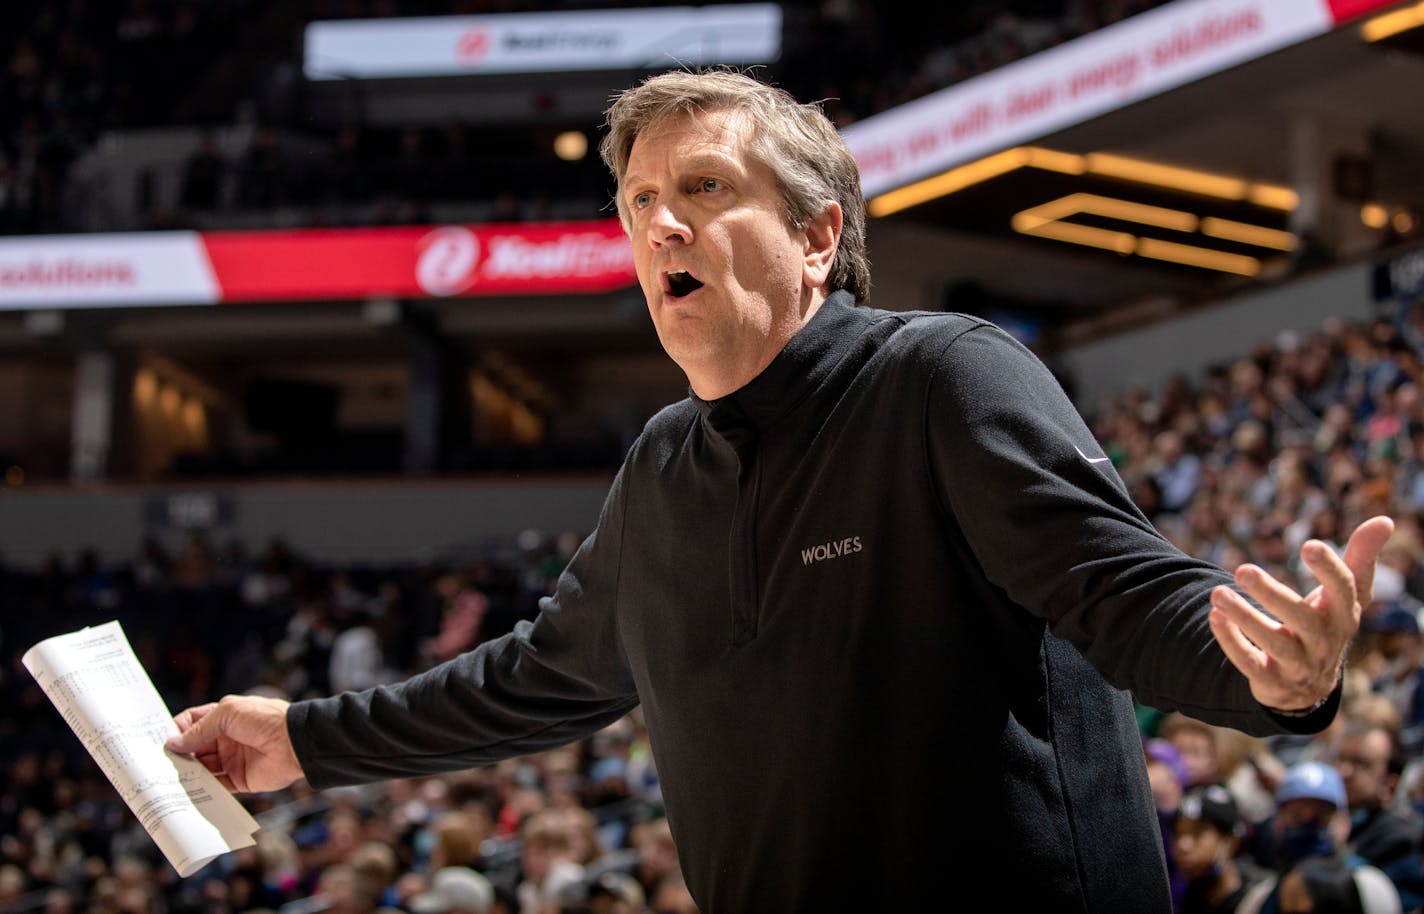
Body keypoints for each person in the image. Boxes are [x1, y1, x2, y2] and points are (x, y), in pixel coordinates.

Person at [164, 68, 1396, 911]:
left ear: (816, 235)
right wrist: (302, 739)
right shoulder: (659, 468)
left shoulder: (942, 379)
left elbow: (1127, 593)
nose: (658, 228)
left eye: (701, 189)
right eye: (637, 203)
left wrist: (1265, 669)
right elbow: (533, 680)